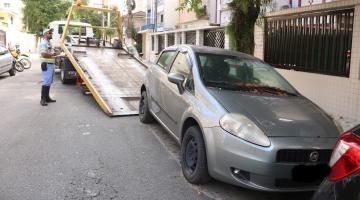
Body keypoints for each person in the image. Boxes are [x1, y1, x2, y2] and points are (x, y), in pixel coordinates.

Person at [39, 27, 60, 106]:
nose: (51, 34)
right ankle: (43, 99)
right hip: (46, 64)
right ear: (45, 35)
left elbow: (50, 52)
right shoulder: (43, 43)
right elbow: (43, 54)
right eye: (49, 33)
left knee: (49, 82)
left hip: (50, 64)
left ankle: (47, 98)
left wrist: (56, 52)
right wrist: (54, 54)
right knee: (46, 81)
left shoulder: (49, 43)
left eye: (51, 33)